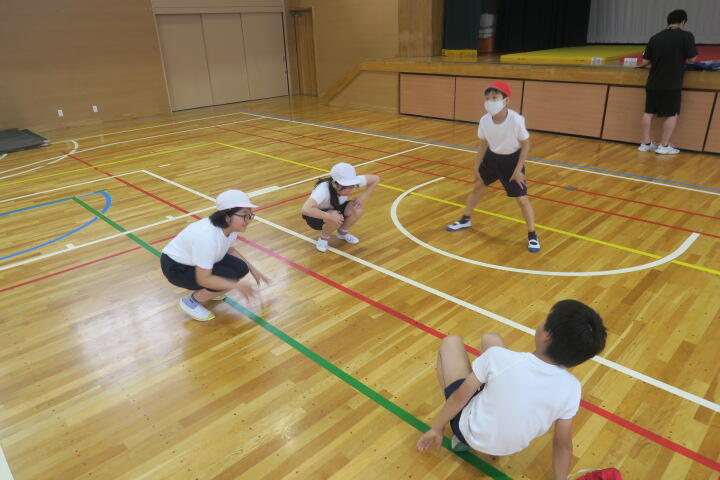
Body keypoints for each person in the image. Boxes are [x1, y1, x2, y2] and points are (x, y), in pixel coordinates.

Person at [417, 300, 607, 480]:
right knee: (491, 339)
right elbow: (562, 444)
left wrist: (437, 428)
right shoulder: (572, 388)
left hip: (469, 433)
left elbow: (459, 397)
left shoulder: (498, 358)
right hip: (510, 448)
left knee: (451, 342)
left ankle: (462, 440)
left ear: (547, 336)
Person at [445, 80, 539, 252]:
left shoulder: (516, 120)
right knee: (477, 187)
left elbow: (526, 145)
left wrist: (518, 170)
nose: (490, 101)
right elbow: (483, 145)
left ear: (506, 100)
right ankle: (465, 219)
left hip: (512, 161)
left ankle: (532, 235)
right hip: (492, 158)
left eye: (494, 98)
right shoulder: (484, 120)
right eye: (487, 98)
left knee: (522, 200)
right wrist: (476, 166)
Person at [160, 189, 269, 321]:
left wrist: (253, 269)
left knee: (241, 268)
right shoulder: (208, 237)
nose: (248, 220)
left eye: (250, 215)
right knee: (229, 277)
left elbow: (229, 249)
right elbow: (204, 279)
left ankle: (212, 291)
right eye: (244, 215)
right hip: (177, 268)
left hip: (194, 261)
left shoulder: (230, 228)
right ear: (227, 216)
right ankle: (191, 302)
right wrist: (236, 286)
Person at [638, 9, 697, 154]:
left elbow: (644, 62)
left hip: (653, 82)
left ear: (668, 21)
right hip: (672, 83)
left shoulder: (655, 37)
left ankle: (645, 144)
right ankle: (664, 146)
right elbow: (692, 58)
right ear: (683, 22)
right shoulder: (687, 36)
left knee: (648, 112)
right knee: (672, 114)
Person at [300, 162, 380, 252]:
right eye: (346, 187)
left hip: (335, 210)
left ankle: (342, 233)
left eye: (351, 186)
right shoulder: (323, 189)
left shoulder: (351, 182)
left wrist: (361, 198)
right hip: (315, 217)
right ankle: (323, 239)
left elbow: (375, 179)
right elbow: (305, 209)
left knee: (357, 207)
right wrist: (329, 216)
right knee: (335, 215)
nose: (349, 190)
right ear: (335, 184)